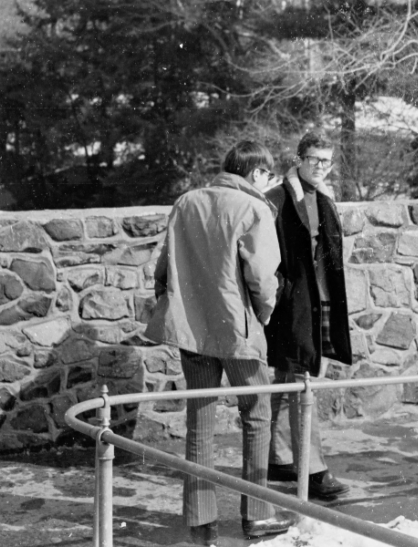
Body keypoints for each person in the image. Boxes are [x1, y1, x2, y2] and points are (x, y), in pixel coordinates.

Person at [144, 141, 294, 546]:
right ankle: (258, 514)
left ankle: (200, 523)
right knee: (258, 413)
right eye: (268, 176)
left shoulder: (186, 201)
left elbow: (163, 267)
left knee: (200, 420)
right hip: (237, 330)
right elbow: (262, 280)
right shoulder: (254, 208)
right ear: (257, 174)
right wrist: (263, 315)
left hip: (192, 329)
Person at [263, 130, 352, 501]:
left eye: (326, 161)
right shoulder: (276, 198)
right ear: (298, 158)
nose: (320, 167)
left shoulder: (327, 199)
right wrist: (280, 295)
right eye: (314, 159)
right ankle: (313, 469)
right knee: (303, 381)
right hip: (293, 306)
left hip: (320, 303)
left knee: (290, 376)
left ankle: (279, 457)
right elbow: (262, 253)